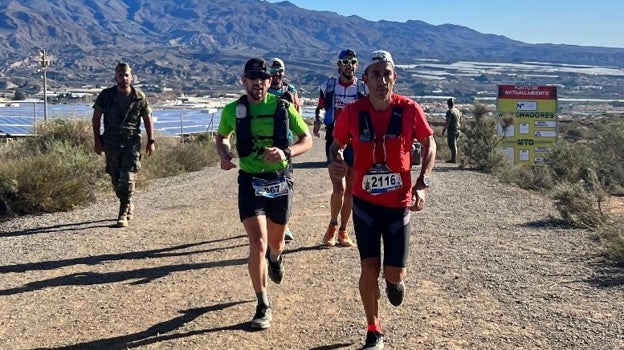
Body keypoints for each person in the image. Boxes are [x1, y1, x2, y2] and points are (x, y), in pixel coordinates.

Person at [329, 50, 436, 349]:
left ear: (394, 78)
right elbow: (336, 145)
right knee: (368, 268)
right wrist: (335, 161)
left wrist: (422, 182)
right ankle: (373, 329)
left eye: (386, 73)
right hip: (364, 204)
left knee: (393, 272)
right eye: (375, 73)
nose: (381, 79)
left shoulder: (409, 109)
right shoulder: (352, 113)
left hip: (398, 205)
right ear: (365, 79)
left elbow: (430, 143)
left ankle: (394, 281)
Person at [215, 58, 312, 330]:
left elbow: (306, 139)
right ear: (244, 81)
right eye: (252, 78)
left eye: (262, 78)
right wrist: (224, 154)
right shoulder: (232, 110)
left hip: (280, 179)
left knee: (275, 243)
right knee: (257, 242)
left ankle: (276, 258)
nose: (258, 82)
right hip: (249, 180)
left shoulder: (283, 107)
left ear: (270, 82)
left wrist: (286, 152)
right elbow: (222, 136)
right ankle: (262, 303)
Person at [313, 48, 368, 248]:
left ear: (357, 65)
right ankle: (332, 225)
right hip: (335, 139)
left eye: (352, 62)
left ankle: (344, 230)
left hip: (356, 142)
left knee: (351, 190)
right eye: (345, 62)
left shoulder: (363, 88)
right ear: (338, 65)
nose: (349, 66)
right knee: (339, 187)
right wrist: (318, 122)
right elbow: (320, 106)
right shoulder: (328, 86)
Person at [92, 62, 156, 228]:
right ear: (115, 76)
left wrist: (151, 141)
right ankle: (128, 202)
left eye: (126, 75)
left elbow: (148, 119)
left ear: (131, 77)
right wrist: (97, 141)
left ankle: (122, 213)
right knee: (116, 179)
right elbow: (96, 118)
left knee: (127, 177)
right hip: (111, 143)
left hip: (131, 144)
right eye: (120, 75)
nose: (124, 78)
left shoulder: (139, 97)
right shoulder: (106, 96)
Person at [268, 57, 302, 242]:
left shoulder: (291, 90)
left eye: (279, 71)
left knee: (284, 182)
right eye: (273, 72)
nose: (276, 75)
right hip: (265, 139)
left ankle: (283, 224)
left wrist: (293, 104)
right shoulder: (264, 88)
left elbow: (298, 113)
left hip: (285, 142)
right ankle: (268, 220)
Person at [442, 97, 462, 163]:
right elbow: (460, 120)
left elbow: (448, 121)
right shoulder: (457, 111)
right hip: (458, 129)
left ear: (448, 104)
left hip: (452, 130)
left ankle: (454, 159)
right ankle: (453, 158)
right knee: (454, 144)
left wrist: (444, 129)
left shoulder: (450, 112)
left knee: (451, 144)